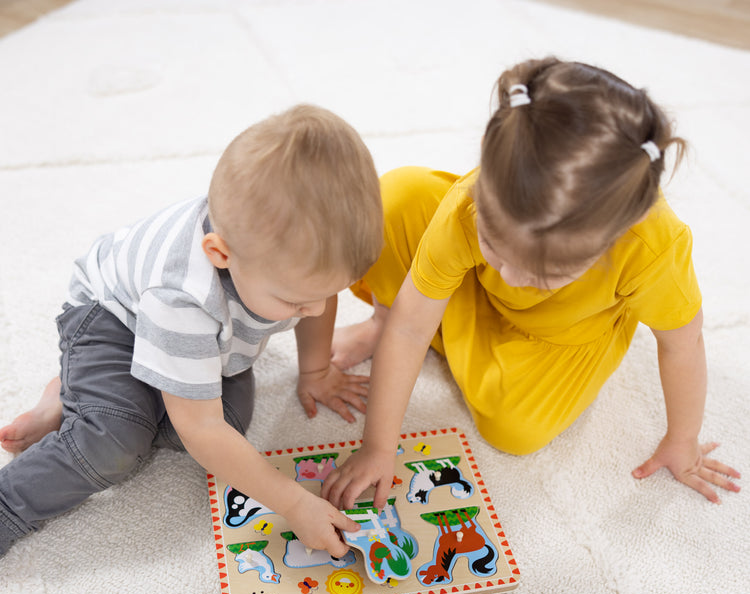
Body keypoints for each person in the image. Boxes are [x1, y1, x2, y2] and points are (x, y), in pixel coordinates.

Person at [322, 57, 741, 510]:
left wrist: (684, 438)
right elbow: (410, 329)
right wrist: (379, 448)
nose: (510, 276)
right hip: (469, 292)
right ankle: (385, 313)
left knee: (515, 430)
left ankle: (442, 325)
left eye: (546, 276)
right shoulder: (469, 205)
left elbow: (682, 343)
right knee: (395, 200)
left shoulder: (651, 247)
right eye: (492, 244)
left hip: (558, 337)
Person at [0, 104, 383, 557]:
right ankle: (34, 462)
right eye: (295, 301)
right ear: (220, 254)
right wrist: (294, 503)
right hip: (113, 320)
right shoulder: (181, 297)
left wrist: (316, 371)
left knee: (230, 428)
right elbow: (203, 431)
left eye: (327, 292)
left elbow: (318, 302)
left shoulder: (285, 266)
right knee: (117, 441)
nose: (315, 309)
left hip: (212, 340)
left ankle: (86, 393)